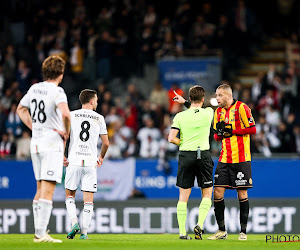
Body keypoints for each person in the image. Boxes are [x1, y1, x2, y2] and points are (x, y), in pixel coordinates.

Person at [173, 83, 256, 241]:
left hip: (241, 157)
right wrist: (221, 133)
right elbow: (216, 134)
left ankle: (243, 232)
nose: (217, 98)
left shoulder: (242, 108)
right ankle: (221, 231)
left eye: (219, 95)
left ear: (228, 95)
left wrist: (233, 131)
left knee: (242, 193)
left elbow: (252, 129)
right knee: (217, 192)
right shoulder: (216, 112)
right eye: (216, 96)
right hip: (224, 158)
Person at [17, 55, 71, 243]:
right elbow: (65, 113)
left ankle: (39, 230)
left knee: (40, 187)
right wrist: (65, 131)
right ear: (61, 74)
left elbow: (20, 110)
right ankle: (40, 234)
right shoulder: (58, 92)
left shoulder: (34, 88)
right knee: (48, 189)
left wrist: (33, 126)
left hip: (36, 143)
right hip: (51, 144)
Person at [168, 85, 214, 240]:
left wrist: (183, 143)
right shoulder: (209, 113)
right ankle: (199, 225)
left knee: (183, 196)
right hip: (204, 155)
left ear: (190, 97)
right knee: (207, 193)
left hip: (186, 154)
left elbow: (171, 138)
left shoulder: (180, 116)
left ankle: (182, 233)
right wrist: (186, 102)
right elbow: (197, 110)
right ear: (203, 99)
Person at [64, 89, 109, 240]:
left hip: (74, 160)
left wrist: (63, 155)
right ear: (91, 101)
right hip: (90, 162)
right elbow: (106, 143)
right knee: (88, 200)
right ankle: (84, 233)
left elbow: (65, 136)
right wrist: (101, 157)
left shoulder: (71, 115)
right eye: (96, 100)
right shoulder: (99, 118)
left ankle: (74, 222)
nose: (97, 102)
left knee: (70, 195)